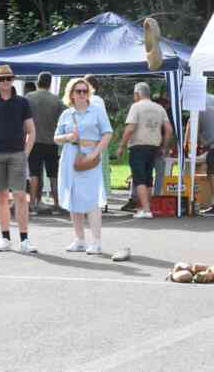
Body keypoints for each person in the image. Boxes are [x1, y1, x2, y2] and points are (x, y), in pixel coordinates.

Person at [0, 65, 37, 253]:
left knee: (20, 195)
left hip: (17, 154)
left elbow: (31, 131)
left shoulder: (22, 102)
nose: (4, 82)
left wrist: (25, 153)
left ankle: (24, 239)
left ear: (13, 80)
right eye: (1, 79)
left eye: (8, 78)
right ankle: (5, 238)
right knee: (1, 195)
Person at [54, 78, 113, 254]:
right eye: (78, 91)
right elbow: (56, 137)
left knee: (92, 199)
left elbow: (108, 133)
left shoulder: (96, 111)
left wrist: (95, 153)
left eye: (84, 91)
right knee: (73, 197)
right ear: (71, 94)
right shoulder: (66, 114)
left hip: (90, 157)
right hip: (70, 157)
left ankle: (96, 241)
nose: (81, 94)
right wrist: (67, 138)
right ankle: (79, 239)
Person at [117, 82, 172, 218]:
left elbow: (130, 128)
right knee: (148, 179)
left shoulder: (136, 107)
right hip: (154, 146)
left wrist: (121, 146)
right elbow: (169, 130)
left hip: (138, 145)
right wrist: (164, 146)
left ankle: (146, 210)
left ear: (137, 94)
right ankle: (146, 208)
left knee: (139, 178)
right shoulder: (159, 108)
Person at [26, 72, 65, 214]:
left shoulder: (29, 98)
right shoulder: (56, 100)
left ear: (37, 82)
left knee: (34, 173)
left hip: (34, 141)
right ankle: (57, 204)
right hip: (51, 141)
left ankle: (33, 204)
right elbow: (64, 118)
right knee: (53, 174)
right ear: (49, 83)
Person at [84, 74, 111, 203]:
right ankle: (100, 197)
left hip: (84, 140)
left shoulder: (82, 99)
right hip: (98, 139)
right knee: (99, 170)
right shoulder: (99, 100)